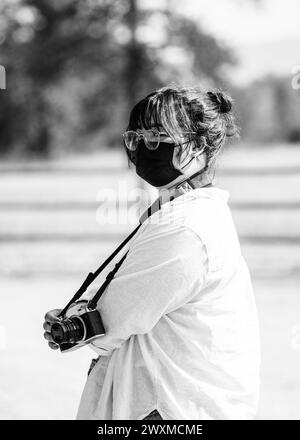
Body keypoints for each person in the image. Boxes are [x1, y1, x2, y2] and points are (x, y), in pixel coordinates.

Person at [43, 84, 260, 420]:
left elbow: (112, 324)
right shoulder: (185, 214)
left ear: (198, 146)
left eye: (158, 136)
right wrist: (80, 318)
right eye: (137, 136)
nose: (146, 146)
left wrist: (79, 324)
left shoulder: (185, 229)